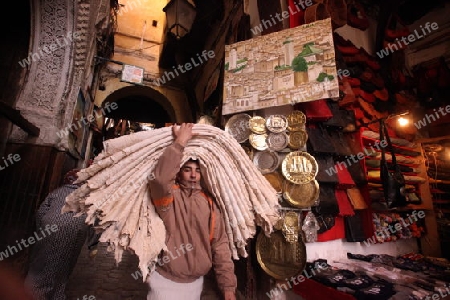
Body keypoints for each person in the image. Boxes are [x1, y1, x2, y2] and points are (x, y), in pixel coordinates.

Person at [148, 123, 237, 300]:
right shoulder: (169, 198)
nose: (193, 175)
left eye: (197, 171)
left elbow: (220, 246)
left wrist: (228, 288)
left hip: (195, 284)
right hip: (164, 283)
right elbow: (159, 180)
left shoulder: (210, 204)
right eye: (187, 170)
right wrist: (180, 141)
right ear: (179, 173)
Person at [24, 168, 100, 300]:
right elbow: (96, 221)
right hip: (74, 231)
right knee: (64, 264)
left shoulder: (57, 192)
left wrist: (40, 229)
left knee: (41, 261)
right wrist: (93, 245)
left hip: (48, 228)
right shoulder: (89, 197)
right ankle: (53, 295)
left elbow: (41, 212)